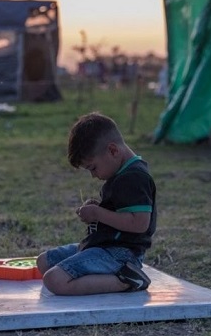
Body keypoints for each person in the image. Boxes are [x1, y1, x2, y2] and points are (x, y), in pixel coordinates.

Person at [36, 112, 156, 295]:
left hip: (120, 254)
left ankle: (127, 280)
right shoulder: (121, 173)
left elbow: (139, 223)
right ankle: (106, 277)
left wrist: (97, 213)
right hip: (102, 246)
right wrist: (99, 208)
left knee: (54, 280)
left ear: (113, 151)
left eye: (93, 168)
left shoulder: (134, 177)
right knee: (44, 261)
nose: (93, 175)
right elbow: (121, 210)